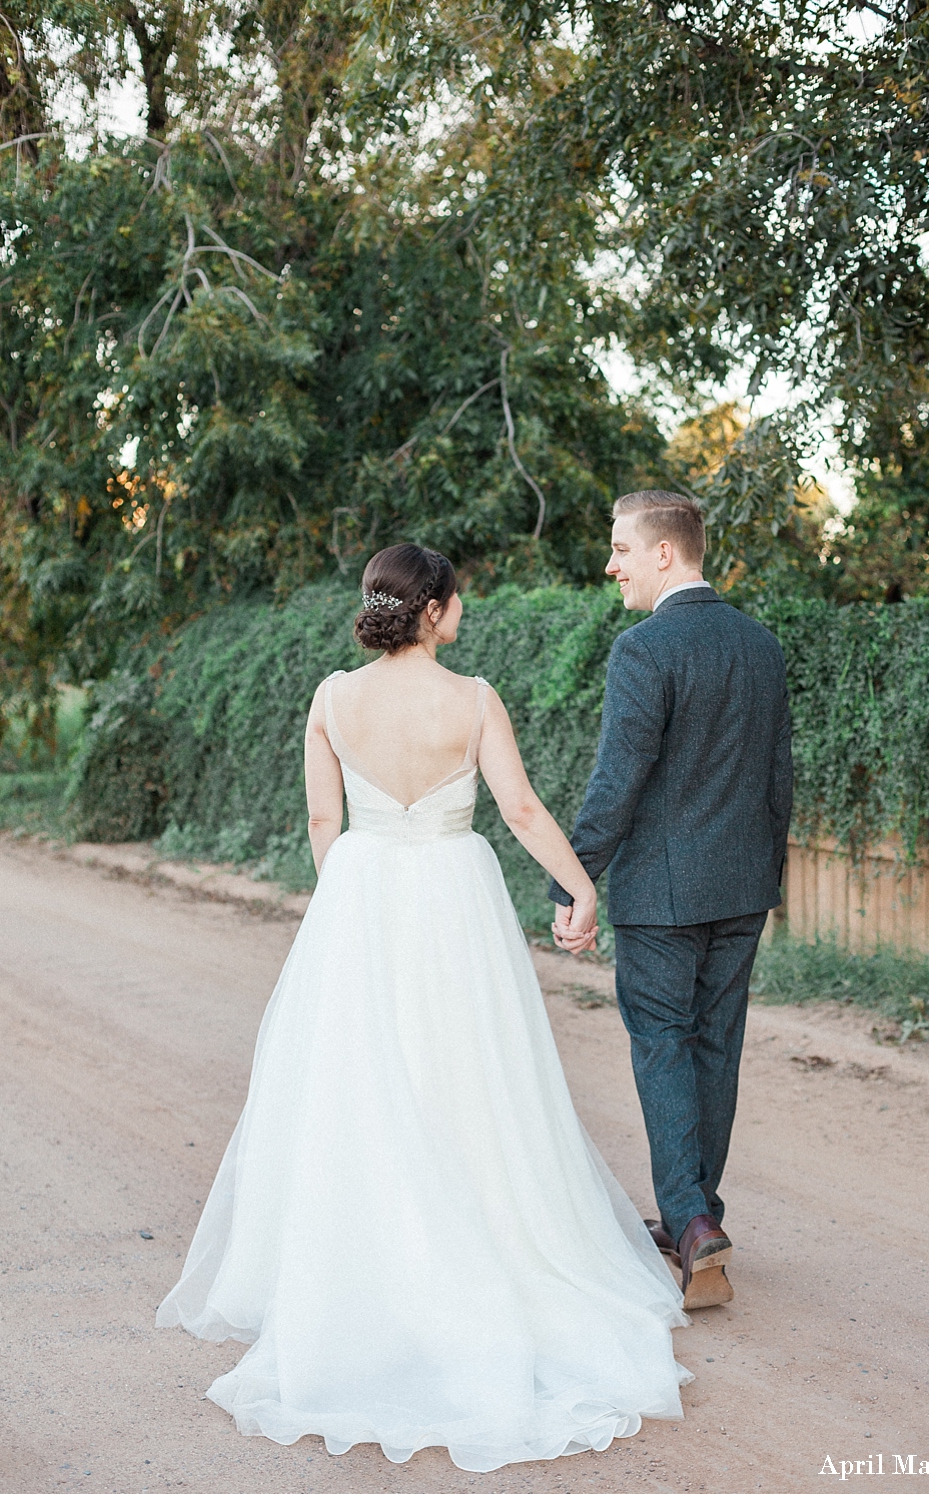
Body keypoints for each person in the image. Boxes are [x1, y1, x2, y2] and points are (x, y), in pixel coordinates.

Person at [157, 543, 691, 1473]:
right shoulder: (473, 699)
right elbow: (519, 810)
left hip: (360, 894)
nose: (462, 613)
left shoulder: (332, 697)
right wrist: (579, 890)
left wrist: (349, 910)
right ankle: (479, 1237)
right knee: (468, 1074)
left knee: (362, 1080)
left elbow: (324, 826)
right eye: (459, 602)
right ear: (436, 610)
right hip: (453, 894)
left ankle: (363, 1263)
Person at [551, 492, 793, 1311]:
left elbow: (616, 783)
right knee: (713, 1048)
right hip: (742, 887)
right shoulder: (760, 646)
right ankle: (699, 1218)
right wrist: (770, 878)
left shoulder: (643, 649)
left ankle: (688, 1221)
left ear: (664, 554)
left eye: (620, 547)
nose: (610, 563)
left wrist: (572, 880)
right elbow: (777, 783)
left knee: (661, 1044)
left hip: (659, 893)